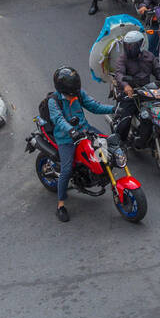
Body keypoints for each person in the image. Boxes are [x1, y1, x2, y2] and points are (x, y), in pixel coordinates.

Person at [45, 67, 116, 222]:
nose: (73, 96)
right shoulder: (53, 101)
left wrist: (115, 109)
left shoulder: (78, 93)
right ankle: (60, 205)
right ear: (63, 90)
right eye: (71, 94)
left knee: (109, 144)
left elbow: (94, 106)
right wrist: (71, 131)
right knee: (66, 169)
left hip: (85, 130)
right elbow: (58, 120)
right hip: (66, 138)